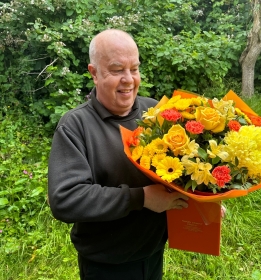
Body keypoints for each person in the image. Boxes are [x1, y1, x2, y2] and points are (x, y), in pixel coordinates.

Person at [48, 29, 189, 280]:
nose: (128, 79)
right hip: (107, 264)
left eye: (134, 69)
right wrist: (141, 198)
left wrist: (202, 201)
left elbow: (178, 170)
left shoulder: (154, 111)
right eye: (117, 70)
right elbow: (65, 200)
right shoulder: (75, 125)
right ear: (94, 73)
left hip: (153, 252)